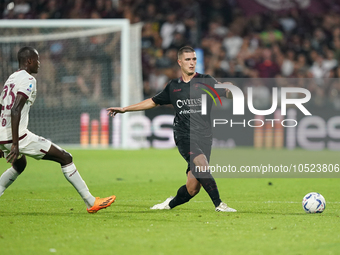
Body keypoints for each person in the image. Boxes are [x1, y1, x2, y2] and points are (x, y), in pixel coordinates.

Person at [107, 46, 237, 212]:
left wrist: (230, 89)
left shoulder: (206, 80)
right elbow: (152, 101)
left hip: (204, 136)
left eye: (194, 59)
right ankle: (219, 204)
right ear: (180, 62)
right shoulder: (173, 86)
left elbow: (227, 94)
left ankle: (169, 204)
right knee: (202, 164)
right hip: (183, 135)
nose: (192, 63)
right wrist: (125, 109)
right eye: (188, 59)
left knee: (192, 189)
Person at [0, 46, 115, 213]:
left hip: (2, 133)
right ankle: (91, 202)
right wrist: (15, 143)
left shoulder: (11, 78)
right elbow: (15, 109)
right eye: (37, 60)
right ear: (29, 61)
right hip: (17, 136)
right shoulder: (28, 79)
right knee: (65, 157)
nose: (40, 64)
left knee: (20, 165)